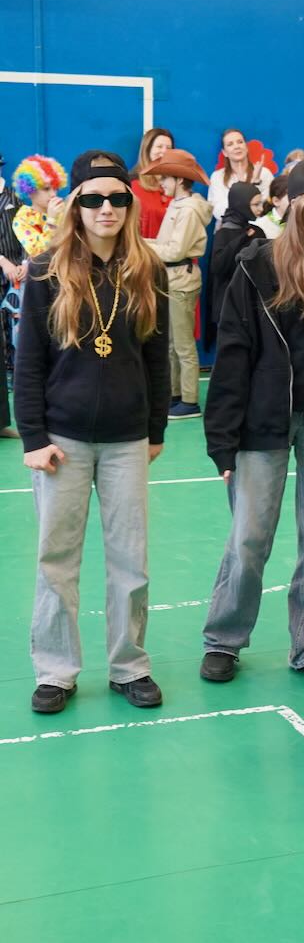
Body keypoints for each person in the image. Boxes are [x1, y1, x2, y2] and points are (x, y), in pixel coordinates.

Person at [13, 150, 169, 713]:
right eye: (95, 198)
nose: (108, 208)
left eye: (118, 198)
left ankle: (130, 666)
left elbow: (156, 359)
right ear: (76, 205)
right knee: (57, 558)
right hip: (63, 440)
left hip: (127, 439)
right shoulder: (44, 272)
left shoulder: (148, 269)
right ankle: (56, 671)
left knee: (131, 559)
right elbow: (28, 363)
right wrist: (34, 438)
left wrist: (155, 430)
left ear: (130, 204)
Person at [200, 157, 304, 687]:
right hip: (261, 421)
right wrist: (221, 438)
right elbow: (233, 353)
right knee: (249, 538)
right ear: (299, 205)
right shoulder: (256, 265)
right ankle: (223, 638)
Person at [141, 148, 213, 420]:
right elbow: (165, 245)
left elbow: (174, 251)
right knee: (171, 343)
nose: (161, 183)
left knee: (183, 345)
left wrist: (141, 245)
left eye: (165, 178)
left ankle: (190, 401)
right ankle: (174, 395)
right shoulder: (178, 205)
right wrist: (144, 242)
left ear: (180, 180)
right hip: (171, 279)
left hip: (181, 281)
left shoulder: (189, 210)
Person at [209, 182, 265, 326]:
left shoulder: (257, 231)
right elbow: (218, 266)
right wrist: (242, 238)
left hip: (252, 304)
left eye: (261, 204)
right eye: (256, 204)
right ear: (242, 204)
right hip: (228, 306)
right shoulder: (224, 233)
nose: (261, 208)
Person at [0, 152, 24, 437]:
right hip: (4, 269)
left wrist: (22, 265)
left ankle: (3, 421)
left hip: (15, 281)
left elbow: (26, 234)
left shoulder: (14, 200)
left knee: (15, 336)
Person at [208, 128, 275, 224]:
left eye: (240, 142)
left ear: (246, 147)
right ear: (224, 152)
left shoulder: (264, 173)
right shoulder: (217, 177)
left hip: (261, 228)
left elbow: (268, 208)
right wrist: (245, 187)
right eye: (230, 144)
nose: (236, 147)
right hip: (230, 229)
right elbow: (218, 211)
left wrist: (256, 183)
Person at [11, 155, 67, 258]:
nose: (53, 194)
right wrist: (51, 220)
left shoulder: (63, 211)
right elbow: (38, 252)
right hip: (43, 267)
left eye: (55, 189)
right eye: (46, 189)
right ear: (30, 190)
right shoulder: (22, 218)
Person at [129, 128, 175, 238]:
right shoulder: (132, 183)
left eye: (168, 148)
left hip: (172, 246)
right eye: (159, 146)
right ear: (147, 149)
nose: (164, 151)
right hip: (143, 246)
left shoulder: (177, 182)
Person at [252, 174, 289, 239]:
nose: (296, 201)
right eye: (291, 197)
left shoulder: (302, 221)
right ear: (276, 201)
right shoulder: (260, 226)